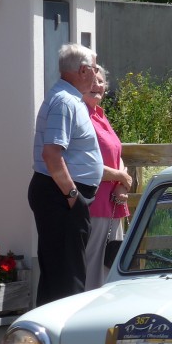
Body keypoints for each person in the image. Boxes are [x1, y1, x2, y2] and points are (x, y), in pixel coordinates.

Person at [29, 43, 104, 305]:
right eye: (95, 69)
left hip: (61, 195)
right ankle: (64, 337)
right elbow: (51, 155)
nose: (97, 76)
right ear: (83, 70)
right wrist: (73, 196)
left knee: (61, 273)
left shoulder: (71, 99)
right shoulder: (65, 102)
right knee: (67, 277)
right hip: (61, 196)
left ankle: (51, 337)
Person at [81, 63, 134, 289]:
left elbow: (116, 154)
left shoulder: (100, 116)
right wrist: (121, 178)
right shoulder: (81, 117)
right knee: (93, 269)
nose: (97, 85)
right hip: (96, 204)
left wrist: (122, 183)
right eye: (92, 81)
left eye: (101, 81)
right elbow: (85, 165)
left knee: (110, 266)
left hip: (113, 204)